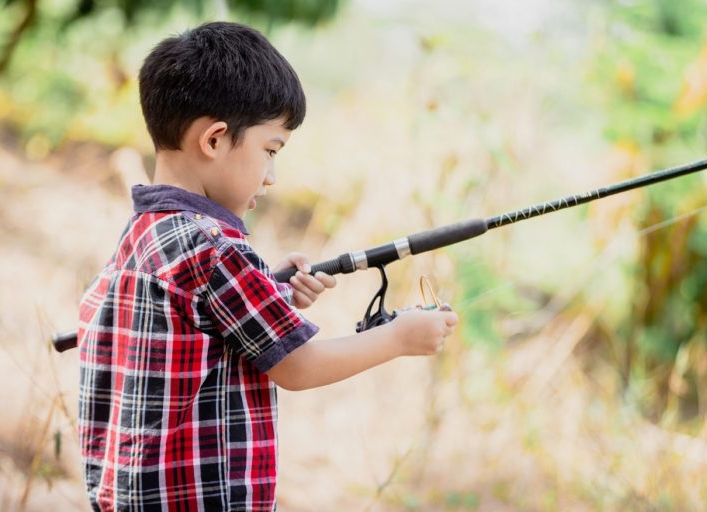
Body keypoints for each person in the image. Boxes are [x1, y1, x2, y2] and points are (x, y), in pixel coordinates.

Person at [77, 21, 459, 511]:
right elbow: (298, 367)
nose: (273, 176)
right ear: (215, 140)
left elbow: (193, 326)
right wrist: (399, 338)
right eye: (270, 151)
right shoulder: (214, 248)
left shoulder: (143, 233)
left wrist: (267, 290)